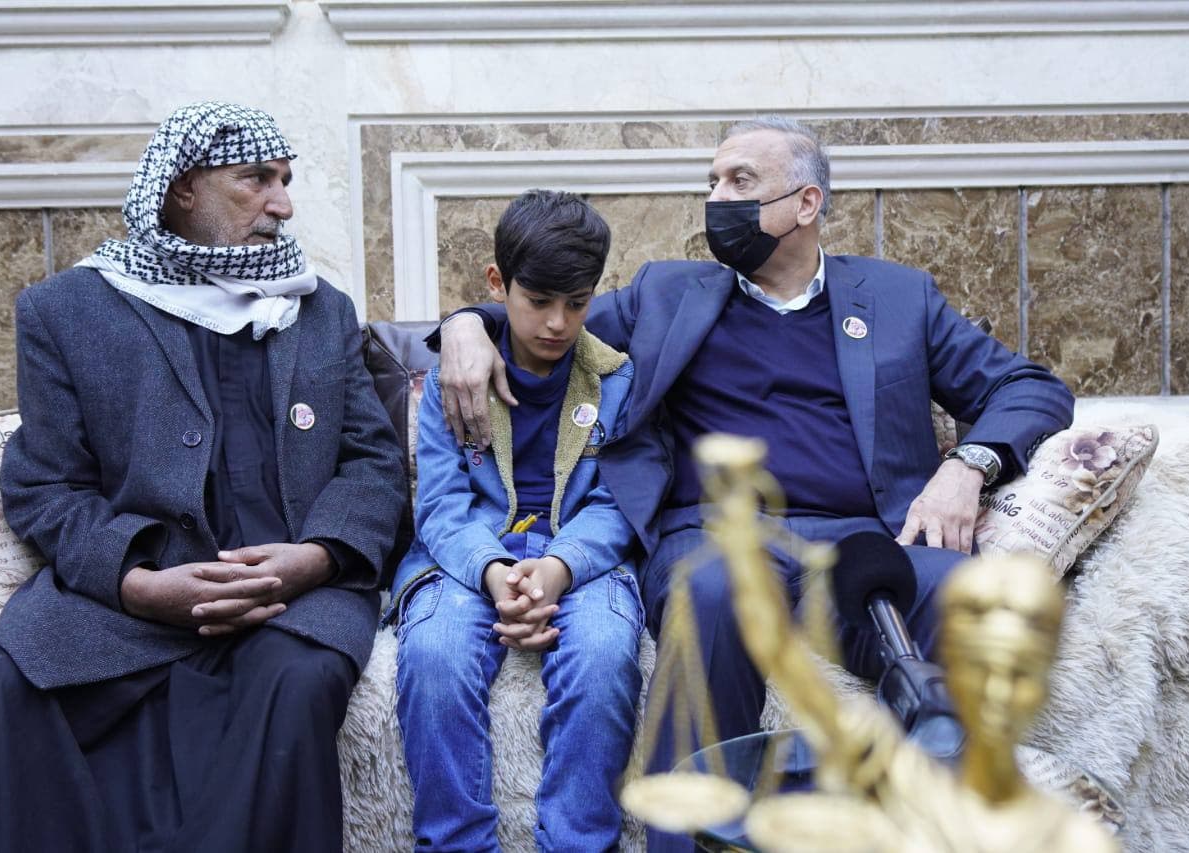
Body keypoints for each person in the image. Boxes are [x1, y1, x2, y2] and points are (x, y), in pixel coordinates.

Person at [433, 117, 1074, 850]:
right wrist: (464, 325)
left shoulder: (900, 297)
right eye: (711, 182)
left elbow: (1029, 387)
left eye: (740, 181)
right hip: (717, 537)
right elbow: (543, 321)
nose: (716, 198)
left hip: (866, 542)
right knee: (711, 593)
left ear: (806, 203)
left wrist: (969, 465)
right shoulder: (667, 294)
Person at [0, 102, 406, 853]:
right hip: (125, 603)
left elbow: (373, 464)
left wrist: (314, 559)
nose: (282, 204)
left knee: (296, 688)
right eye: (256, 179)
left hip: (290, 601)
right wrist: (138, 585)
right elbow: (45, 488)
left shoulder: (318, 310)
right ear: (183, 188)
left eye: (285, 181)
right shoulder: (64, 311)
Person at [390, 190, 653, 852]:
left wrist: (559, 567)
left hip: (582, 558)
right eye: (538, 301)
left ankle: (578, 841)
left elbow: (617, 502)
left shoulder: (618, 382)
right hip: (466, 556)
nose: (557, 323)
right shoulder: (452, 381)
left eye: (577, 303)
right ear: (496, 283)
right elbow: (440, 504)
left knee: (603, 653)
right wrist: (493, 570)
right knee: (434, 653)